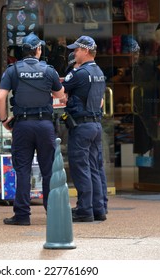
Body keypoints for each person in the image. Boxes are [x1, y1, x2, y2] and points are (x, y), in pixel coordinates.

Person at [0, 33, 65, 226]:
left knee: (23, 170)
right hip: (45, 125)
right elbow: (60, 94)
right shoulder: (49, 70)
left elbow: (0, 98)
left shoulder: (13, 70)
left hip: (22, 125)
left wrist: (4, 120)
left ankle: (22, 216)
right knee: (48, 170)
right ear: (38, 50)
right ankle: (53, 212)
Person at [62, 35, 107, 222]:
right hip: (96, 125)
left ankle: (84, 210)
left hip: (82, 126)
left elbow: (60, 89)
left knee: (81, 168)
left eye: (77, 50)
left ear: (86, 51)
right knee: (94, 168)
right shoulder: (99, 72)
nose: (74, 53)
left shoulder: (80, 73)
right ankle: (98, 209)